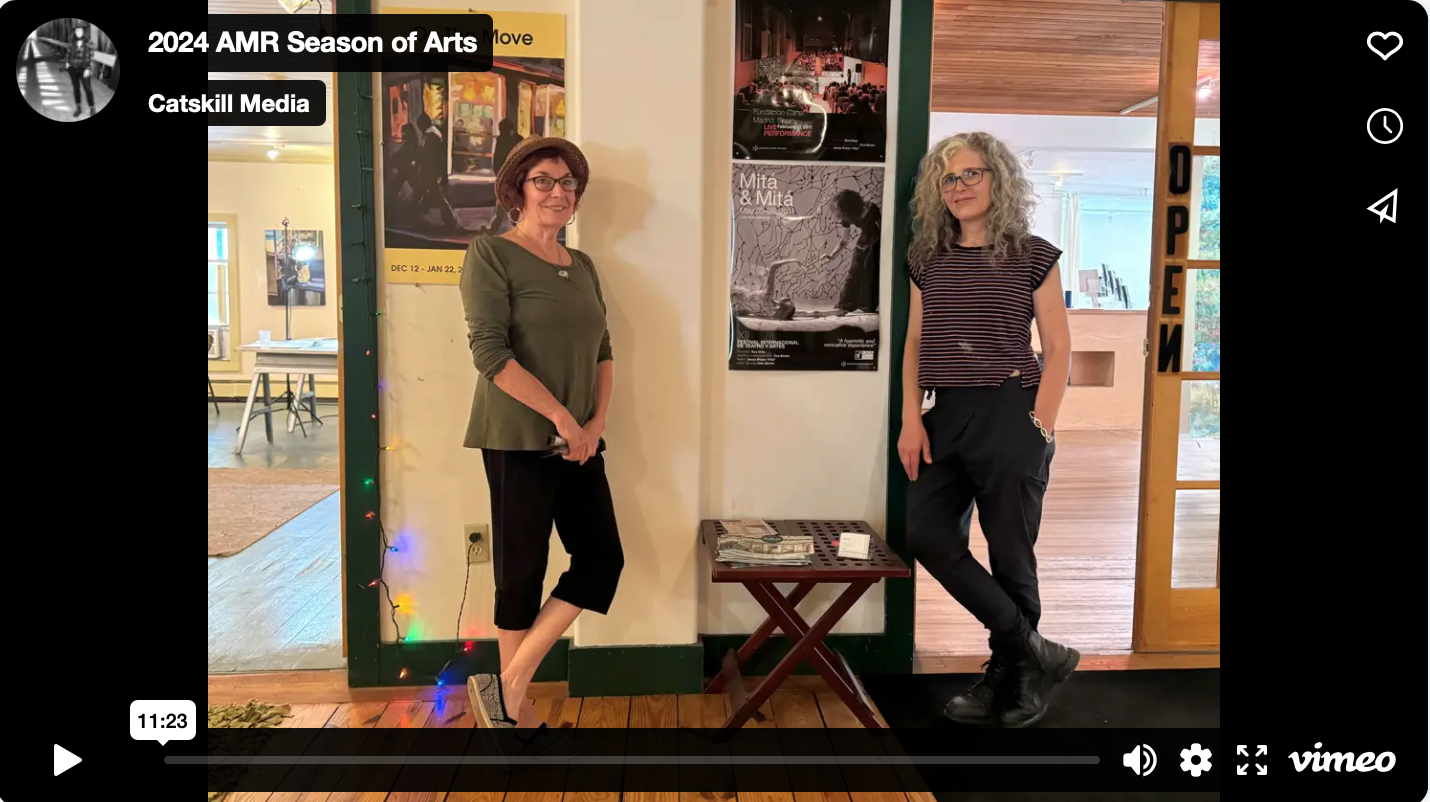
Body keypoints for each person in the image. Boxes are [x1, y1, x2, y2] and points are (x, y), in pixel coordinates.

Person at [899, 132, 1077, 729]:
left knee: (1010, 553)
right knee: (926, 534)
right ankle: (1035, 652)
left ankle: (1013, 678)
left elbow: (1058, 348)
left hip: (1011, 409)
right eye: (950, 178)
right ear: (937, 190)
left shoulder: (1034, 254)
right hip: (942, 417)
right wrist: (909, 421)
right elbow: (916, 343)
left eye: (973, 174)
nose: (961, 186)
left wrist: (1038, 426)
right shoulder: (926, 258)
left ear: (998, 180)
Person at [460, 137, 622, 750]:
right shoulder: (491, 254)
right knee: (521, 574)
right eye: (544, 181)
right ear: (517, 191)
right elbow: (490, 355)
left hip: (580, 440)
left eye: (568, 183)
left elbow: (603, 351)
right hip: (517, 436)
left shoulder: (583, 266)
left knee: (602, 559)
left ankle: (506, 686)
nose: (559, 192)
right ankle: (517, 718)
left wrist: (595, 424)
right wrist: (562, 417)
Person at [821, 189, 880, 316]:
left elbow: (884, 229)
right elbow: (844, 241)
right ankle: (845, 305)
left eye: (840, 211)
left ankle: (867, 306)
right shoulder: (846, 219)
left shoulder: (871, 209)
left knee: (870, 272)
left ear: (848, 207)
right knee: (853, 272)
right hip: (862, 243)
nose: (839, 215)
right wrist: (832, 256)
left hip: (876, 243)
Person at [731, 258, 798, 321]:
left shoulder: (768, 295)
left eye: (788, 300)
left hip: (735, 296)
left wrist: (793, 260)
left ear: (781, 305)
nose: (789, 298)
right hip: (736, 307)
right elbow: (803, 313)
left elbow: (773, 266)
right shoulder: (772, 313)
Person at [65, 23, 95, 118]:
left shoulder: (88, 43)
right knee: (76, 89)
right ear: (74, 32)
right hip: (73, 69)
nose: (78, 32)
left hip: (84, 69)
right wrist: (67, 63)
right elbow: (68, 54)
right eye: (77, 31)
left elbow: (91, 57)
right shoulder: (71, 42)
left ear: (83, 31)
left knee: (87, 89)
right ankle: (78, 108)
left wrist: (88, 68)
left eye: (80, 31)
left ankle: (92, 107)